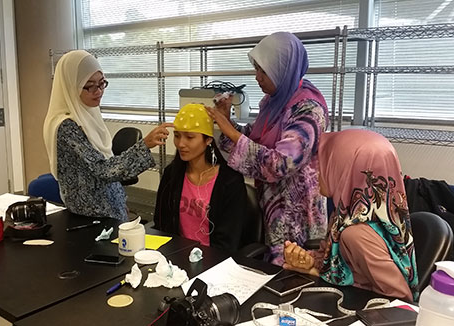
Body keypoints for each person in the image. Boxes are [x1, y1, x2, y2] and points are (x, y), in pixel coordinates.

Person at [206, 32, 329, 265]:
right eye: (257, 70)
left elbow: (281, 163)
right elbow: (255, 140)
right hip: (275, 209)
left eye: (263, 71)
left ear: (282, 69)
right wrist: (227, 122)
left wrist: (229, 131)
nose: (257, 77)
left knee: (296, 277)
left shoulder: (308, 109)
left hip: (299, 215)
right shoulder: (274, 103)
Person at [283, 129, 418, 301]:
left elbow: (400, 300)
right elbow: (345, 266)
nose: (316, 171)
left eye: (327, 162)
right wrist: (310, 263)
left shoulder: (356, 234)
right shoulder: (354, 213)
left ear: (348, 169)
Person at [43, 50, 172, 220]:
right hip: (91, 218)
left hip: (108, 211)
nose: (98, 92)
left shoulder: (89, 115)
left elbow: (105, 162)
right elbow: (102, 169)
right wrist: (145, 144)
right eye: (90, 86)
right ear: (70, 87)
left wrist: (118, 200)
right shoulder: (67, 126)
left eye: (102, 83)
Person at [154, 104, 247, 252]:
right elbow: (161, 223)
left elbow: (228, 242)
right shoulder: (172, 174)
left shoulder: (230, 182)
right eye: (177, 136)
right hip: (175, 259)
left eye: (190, 137)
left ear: (208, 140)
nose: (181, 144)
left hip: (213, 262)